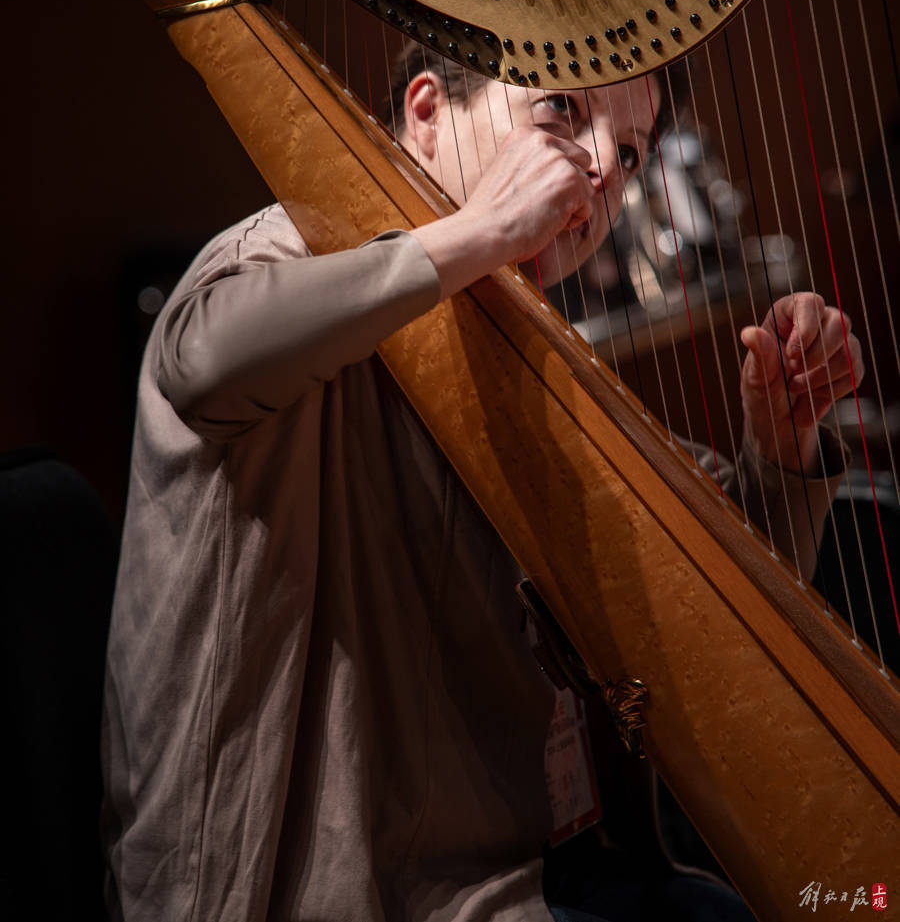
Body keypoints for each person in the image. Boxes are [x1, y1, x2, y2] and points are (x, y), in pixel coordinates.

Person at [101, 48, 862, 922]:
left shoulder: (521, 334)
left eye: (634, 150)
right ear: (426, 112)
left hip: (546, 877)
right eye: (563, 112)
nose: (604, 171)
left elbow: (720, 624)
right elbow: (198, 360)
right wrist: (473, 235)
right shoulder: (287, 244)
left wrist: (781, 444)